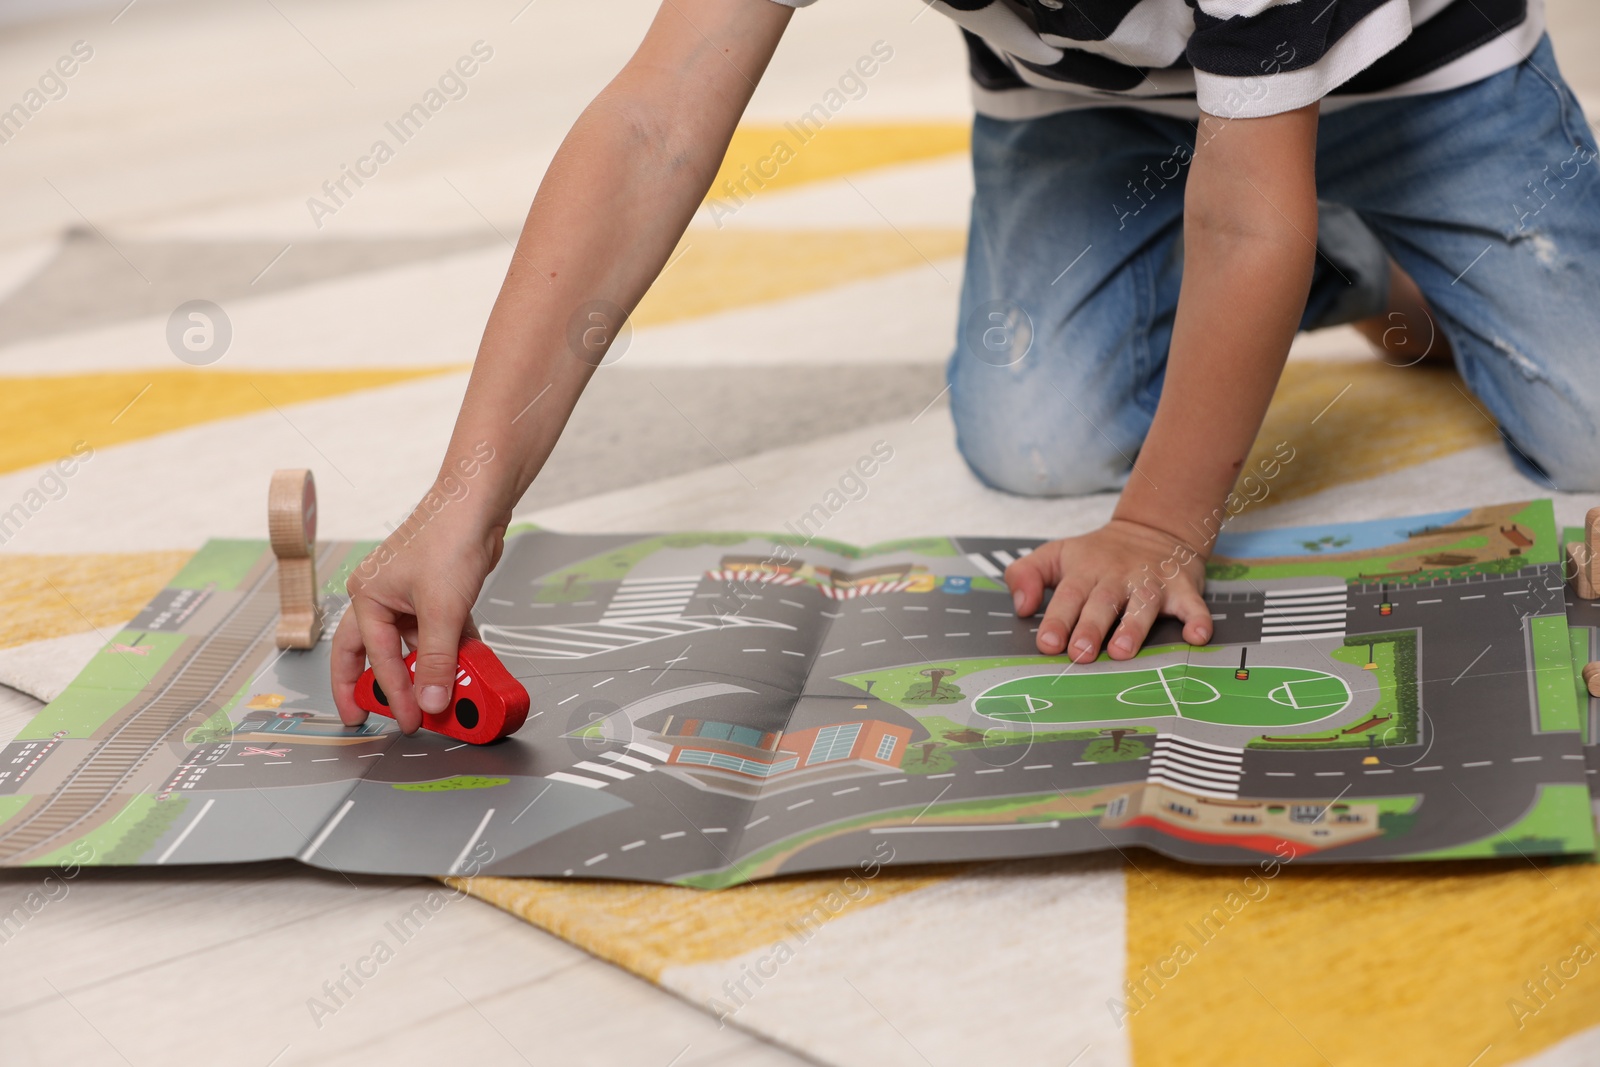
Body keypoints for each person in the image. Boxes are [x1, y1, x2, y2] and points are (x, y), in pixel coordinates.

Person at [331, 0, 1600, 733]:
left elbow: (1244, 212)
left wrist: (1162, 524)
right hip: (1095, 107)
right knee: (1038, 440)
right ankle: (1375, 274)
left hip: (1419, 79)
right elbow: (655, 120)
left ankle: (1404, 251)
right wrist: (465, 499)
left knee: (1587, 422)